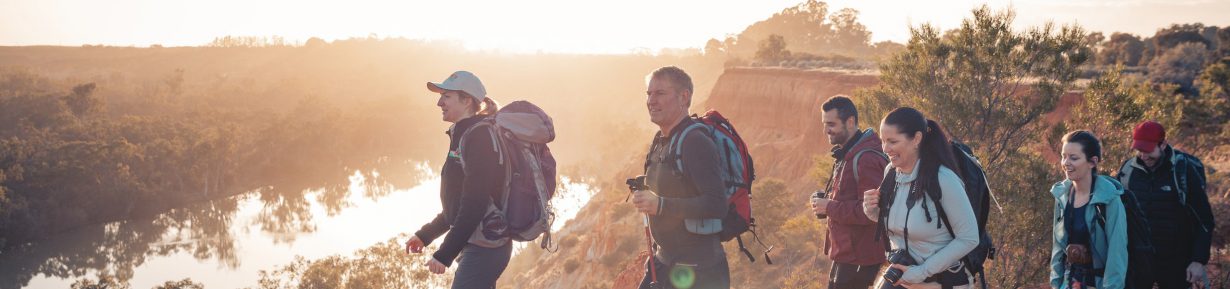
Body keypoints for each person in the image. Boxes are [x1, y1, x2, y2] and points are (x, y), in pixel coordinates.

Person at [403, 71, 509, 289]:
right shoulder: (463, 134)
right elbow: (458, 203)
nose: (439, 102)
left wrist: (445, 254)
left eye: (446, 96)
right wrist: (425, 235)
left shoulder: (479, 138)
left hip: (486, 247)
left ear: (467, 100)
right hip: (477, 242)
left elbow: (474, 204)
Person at [632, 66, 731, 289]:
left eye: (660, 93)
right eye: (648, 94)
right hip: (664, 263)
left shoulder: (695, 141)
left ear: (683, 97)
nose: (651, 101)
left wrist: (661, 204)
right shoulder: (661, 140)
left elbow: (717, 204)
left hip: (699, 272)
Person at [860, 107, 978, 289]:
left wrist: (922, 271)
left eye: (892, 141)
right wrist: (873, 211)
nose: (885, 149)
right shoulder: (891, 173)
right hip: (905, 279)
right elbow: (901, 226)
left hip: (942, 282)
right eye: (883, 141)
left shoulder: (943, 179)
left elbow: (969, 237)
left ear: (916, 139)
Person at [1117, 121, 1215, 289]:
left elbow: (1204, 220)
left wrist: (1198, 261)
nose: (1144, 156)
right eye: (1139, 150)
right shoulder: (1128, 171)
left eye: (1149, 150)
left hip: (1176, 262)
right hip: (1137, 261)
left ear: (1163, 144)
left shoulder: (1183, 171)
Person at [812, 95, 888, 289]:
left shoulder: (866, 159)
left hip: (861, 256)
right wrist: (827, 204)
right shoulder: (849, 152)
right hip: (848, 253)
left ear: (850, 121)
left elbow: (872, 212)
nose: (826, 130)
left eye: (831, 124)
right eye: (824, 123)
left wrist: (830, 206)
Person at [1048, 130, 1128, 289]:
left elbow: (1117, 252)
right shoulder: (1062, 196)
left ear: (1092, 162)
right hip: (1069, 282)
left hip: (1098, 283)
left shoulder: (1109, 199)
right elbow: (1057, 247)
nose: (1066, 163)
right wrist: (1055, 284)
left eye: (1074, 158)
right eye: (1064, 156)